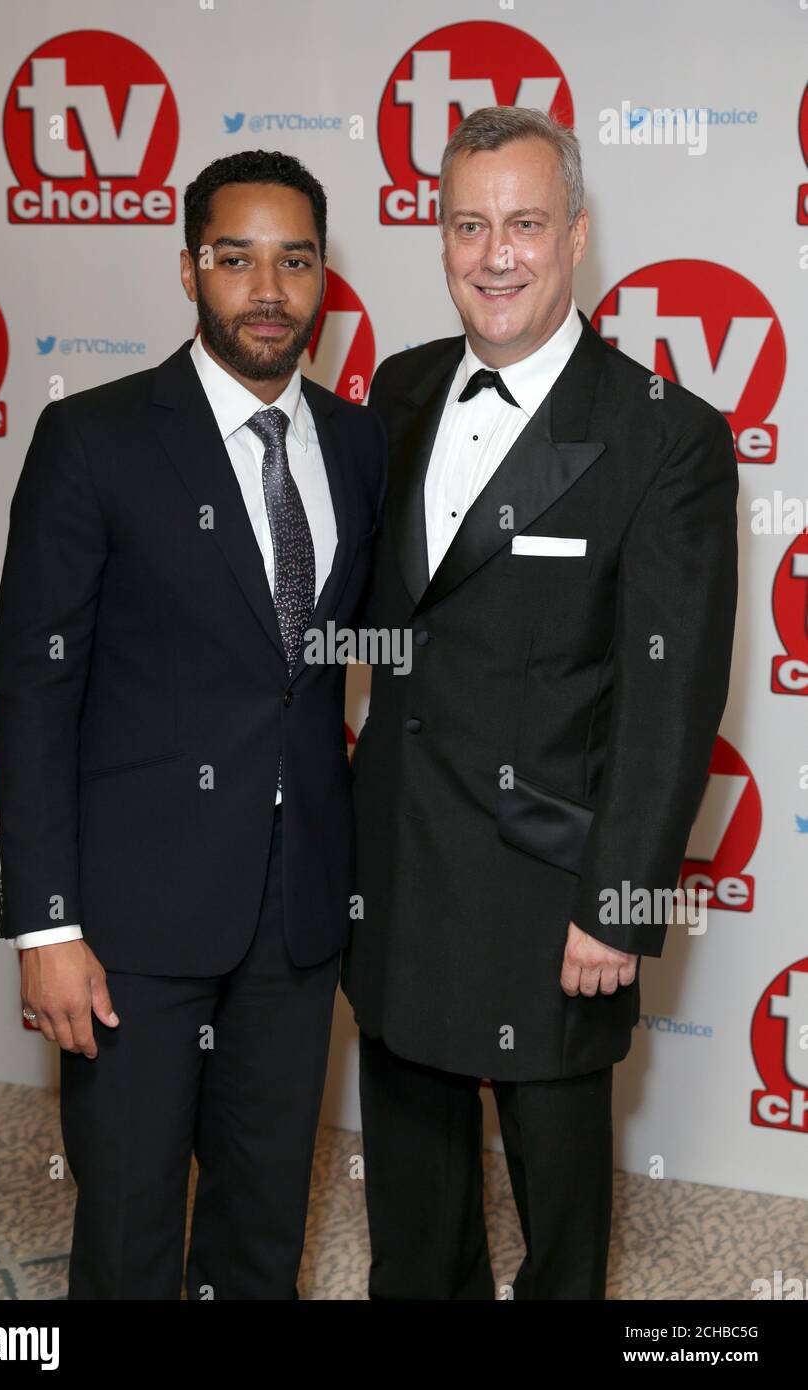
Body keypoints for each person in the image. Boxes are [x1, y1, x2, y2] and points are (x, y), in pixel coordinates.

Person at [340, 107, 738, 1300]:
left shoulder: (665, 436)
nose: (495, 253)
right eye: (469, 225)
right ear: (440, 235)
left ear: (575, 235)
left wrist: (616, 907)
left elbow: (672, 697)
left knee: (563, 1243)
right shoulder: (402, 389)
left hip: (553, 895)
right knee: (415, 1227)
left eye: (523, 224)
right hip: (400, 873)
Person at [0, 149, 386, 1300]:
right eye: (236, 257)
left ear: (323, 278)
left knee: (264, 1227)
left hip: (298, 913)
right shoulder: (96, 439)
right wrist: (45, 923)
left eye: (295, 259)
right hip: (128, 925)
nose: (267, 287)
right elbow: (35, 688)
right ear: (188, 269)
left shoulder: (357, 444)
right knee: (128, 1234)